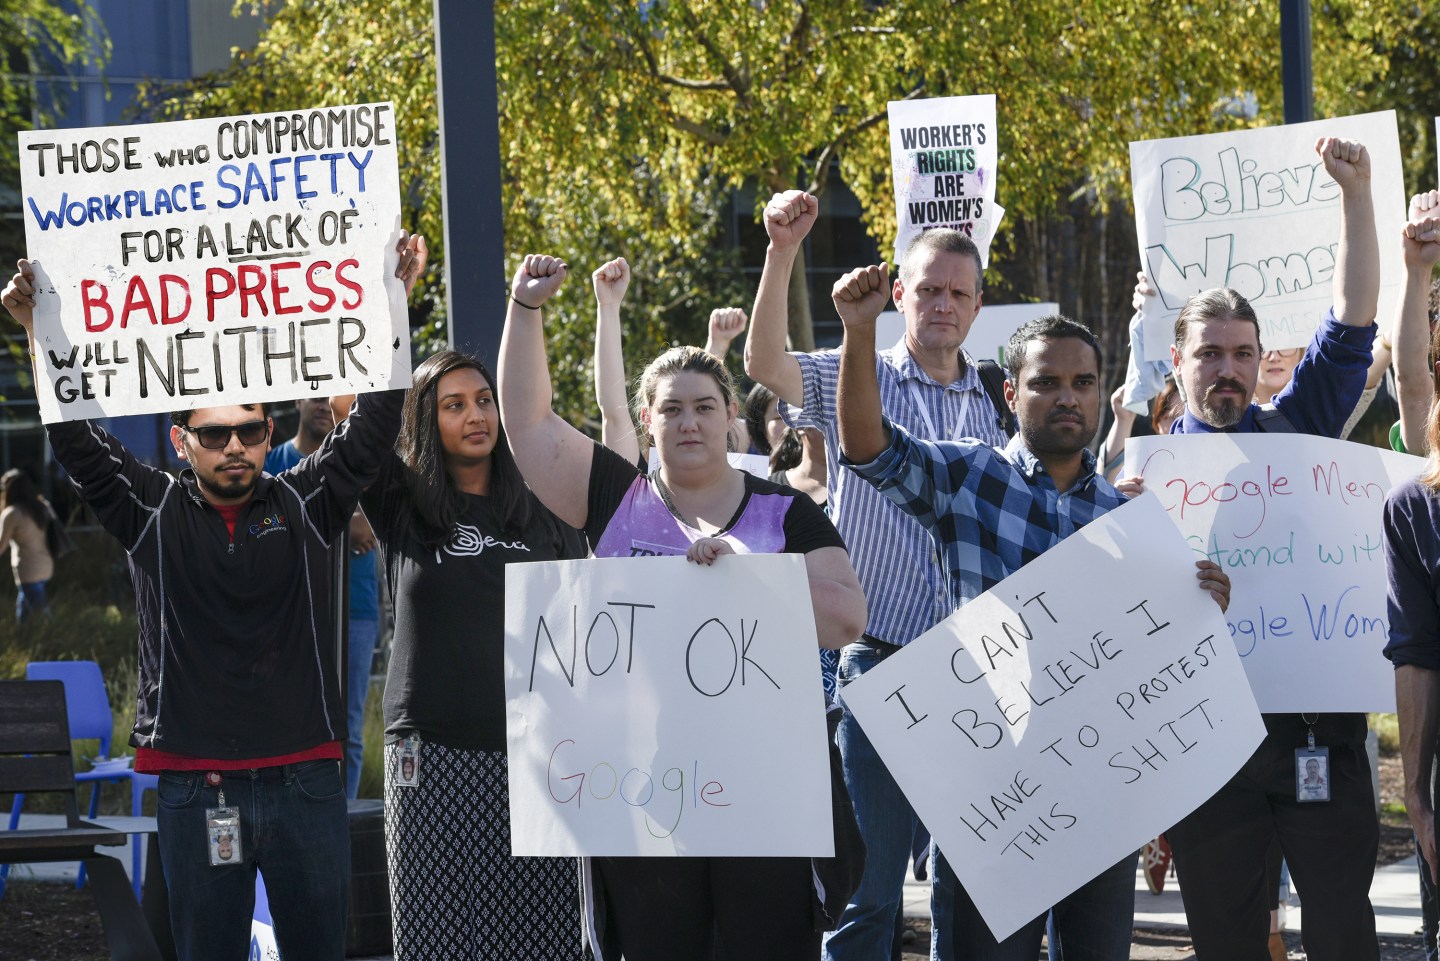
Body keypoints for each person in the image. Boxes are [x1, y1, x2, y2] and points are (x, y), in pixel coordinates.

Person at [0, 234, 424, 961]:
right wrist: (42, 336)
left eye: (251, 430)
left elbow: (375, 424)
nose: (235, 444)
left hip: (307, 782)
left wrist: (393, 302)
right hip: (197, 790)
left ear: (267, 437)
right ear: (181, 441)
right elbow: (75, 440)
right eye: (216, 432)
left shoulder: (305, 499)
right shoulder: (148, 509)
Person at [831, 262, 1229, 958]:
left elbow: (1145, 665)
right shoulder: (968, 477)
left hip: (1097, 795)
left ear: (1101, 396)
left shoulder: (1127, 519)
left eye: (1081, 382)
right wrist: (860, 333)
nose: (1066, 396)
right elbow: (870, 448)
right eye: (1046, 381)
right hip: (992, 800)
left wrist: (1200, 604)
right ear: (1011, 393)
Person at [498, 253, 867, 961]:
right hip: (640, 798)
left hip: (765, 799)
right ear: (646, 417)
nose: (688, 422)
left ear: (731, 413)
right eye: (670, 408)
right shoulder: (614, 501)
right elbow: (527, 422)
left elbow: (847, 617)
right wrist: (525, 308)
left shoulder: (784, 513)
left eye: (704, 406)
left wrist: (753, 578)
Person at [744, 190, 1012, 961]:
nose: (942, 305)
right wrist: (781, 250)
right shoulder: (855, 371)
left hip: (978, 672)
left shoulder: (999, 400)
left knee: (973, 882)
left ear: (978, 306)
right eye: (928, 288)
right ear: (900, 294)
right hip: (881, 665)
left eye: (959, 293)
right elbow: (764, 363)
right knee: (870, 891)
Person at [1138, 136, 1381, 961]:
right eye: (1209, 354)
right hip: (1210, 754)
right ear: (1177, 361)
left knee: (1345, 935)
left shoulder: (1301, 426)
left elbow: (1350, 328)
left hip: (1320, 741)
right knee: (1228, 943)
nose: (1228, 369)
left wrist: (1356, 195)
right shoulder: (1138, 483)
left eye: (1242, 353)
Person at [356, 348, 588, 960]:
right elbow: (355, 410)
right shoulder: (400, 501)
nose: (475, 415)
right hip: (429, 757)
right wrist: (388, 295)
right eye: (453, 406)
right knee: (440, 941)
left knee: (545, 942)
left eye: (483, 400)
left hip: (541, 757)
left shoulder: (549, 504)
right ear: (425, 422)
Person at [265, 396, 383, 799]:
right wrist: (338, 523)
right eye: (316, 394)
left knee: (346, 727)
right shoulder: (271, 462)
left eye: (334, 395)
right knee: (284, 721)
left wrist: (312, 523)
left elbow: (370, 530)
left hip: (357, 610)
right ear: (298, 397)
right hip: (288, 613)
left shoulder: (361, 462)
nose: (323, 404)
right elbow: (261, 529)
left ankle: (343, 826)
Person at [0, 467, 60, 624]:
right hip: (47, 565)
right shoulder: (43, 506)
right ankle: (23, 637)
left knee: (41, 610)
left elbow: (1, 546)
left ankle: (54, 637)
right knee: (24, 604)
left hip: (28, 569)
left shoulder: (12, 513)